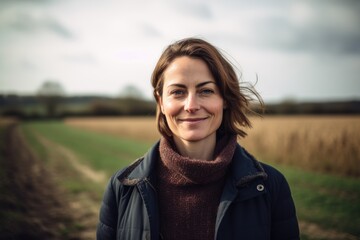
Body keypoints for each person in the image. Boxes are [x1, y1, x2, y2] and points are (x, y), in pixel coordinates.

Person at [96, 37, 300, 240]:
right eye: (177, 92)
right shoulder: (122, 187)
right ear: (161, 101)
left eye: (206, 91)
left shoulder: (270, 186)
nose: (191, 105)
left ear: (225, 100)